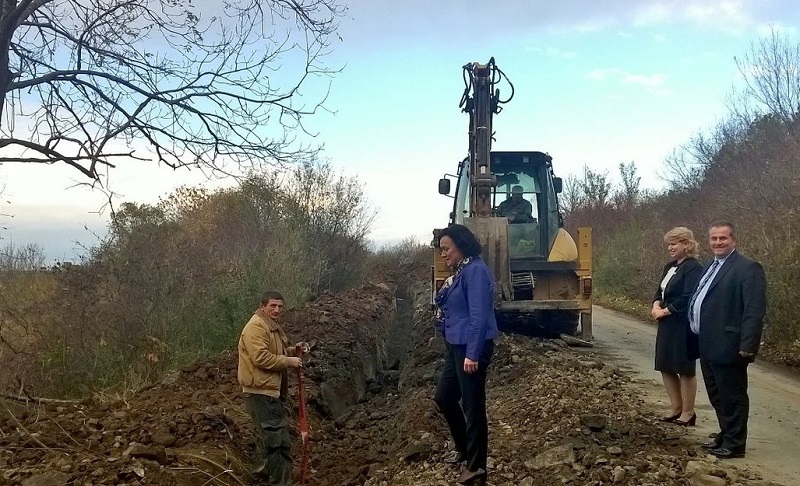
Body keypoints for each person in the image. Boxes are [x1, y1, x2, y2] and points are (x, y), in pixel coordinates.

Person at [688, 222, 767, 459]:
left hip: (729, 343)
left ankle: (735, 444)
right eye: (714, 238)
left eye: (723, 238)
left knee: (732, 396)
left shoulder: (748, 268)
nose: (718, 243)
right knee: (716, 394)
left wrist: (748, 345)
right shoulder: (710, 266)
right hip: (706, 341)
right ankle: (725, 434)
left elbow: (754, 310)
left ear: (733, 239)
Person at [433, 224, 498, 485]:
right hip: (455, 345)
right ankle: (463, 448)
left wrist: (473, 354)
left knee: (473, 406)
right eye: (441, 250)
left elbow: (479, 317)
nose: (443, 254)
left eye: (446, 249)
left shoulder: (476, 272)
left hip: (471, 349)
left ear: (462, 245)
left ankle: (477, 467)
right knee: (445, 398)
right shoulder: (460, 271)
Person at [238, 291, 303, 485]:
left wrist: (293, 350)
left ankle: (264, 474)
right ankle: (280, 482)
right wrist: (289, 361)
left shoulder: (269, 325)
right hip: (261, 393)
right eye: (273, 306)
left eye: (280, 306)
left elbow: (273, 351)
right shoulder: (256, 327)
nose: (277, 310)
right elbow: (260, 358)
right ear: (262, 306)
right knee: (278, 444)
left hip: (269, 392)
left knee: (273, 440)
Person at [651, 227, 703, 426]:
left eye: (674, 243)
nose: (670, 248)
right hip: (666, 323)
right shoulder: (670, 266)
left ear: (687, 244)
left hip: (682, 324)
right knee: (665, 365)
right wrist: (656, 304)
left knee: (684, 368)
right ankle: (675, 407)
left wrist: (666, 310)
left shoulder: (693, 268)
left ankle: (688, 412)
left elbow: (688, 296)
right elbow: (660, 291)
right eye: (669, 244)